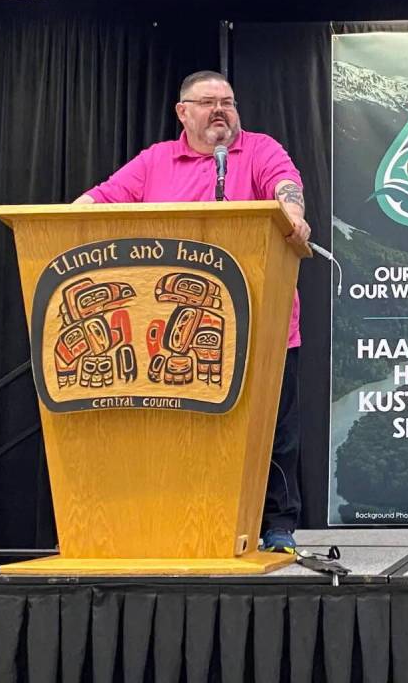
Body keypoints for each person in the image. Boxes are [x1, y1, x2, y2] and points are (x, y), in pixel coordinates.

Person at [73, 70, 309, 554]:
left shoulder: (260, 149)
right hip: (173, 334)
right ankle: (187, 522)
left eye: (228, 101)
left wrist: (293, 213)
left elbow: (287, 185)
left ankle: (277, 525)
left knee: (273, 431)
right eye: (208, 102)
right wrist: (67, 219)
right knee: (190, 432)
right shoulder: (155, 161)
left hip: (262, 326)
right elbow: (99, 200)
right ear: (183, 112)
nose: (221, 110)